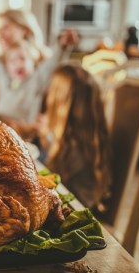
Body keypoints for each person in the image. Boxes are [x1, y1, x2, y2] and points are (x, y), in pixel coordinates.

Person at [0, 8, 78, 138]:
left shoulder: (43, 68)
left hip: (34, 138)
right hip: (5, 133)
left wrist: (62, 46)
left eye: (6, 27)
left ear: (24, 30)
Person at [38, 64, 111, 210]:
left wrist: (43, 137)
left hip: (74, 211)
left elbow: (47, 181)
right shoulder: (83, 138)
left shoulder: (74, 150)